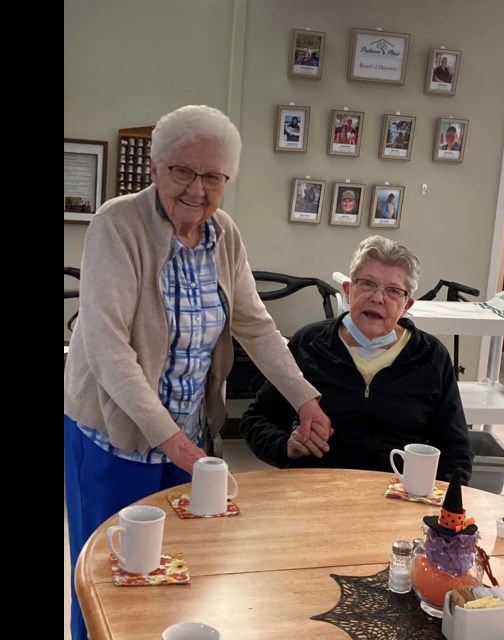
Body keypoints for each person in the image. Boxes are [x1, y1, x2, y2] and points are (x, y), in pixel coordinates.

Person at [63, 105, 331, 640]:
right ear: (157, 168)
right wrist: (170, 441)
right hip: (114, 436)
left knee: (183, 566)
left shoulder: (222, 234)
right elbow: (109, 348)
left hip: (186, 432)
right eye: (182, 171)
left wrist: (305, 398)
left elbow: (255, 323)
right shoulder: (117, 225)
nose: (196, 188)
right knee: (108, 574)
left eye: (212, 176)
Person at [241, 235, 474, 483]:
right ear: (348, 290)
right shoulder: (309, 344)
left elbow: (456, 452)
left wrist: (439, 507)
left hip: (397, 499)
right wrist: (286, 447)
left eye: (393, 291)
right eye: (367, 284)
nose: (378, 298)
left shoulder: (431, 356)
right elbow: (256, 420)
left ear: (407, 305)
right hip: (314, 493)